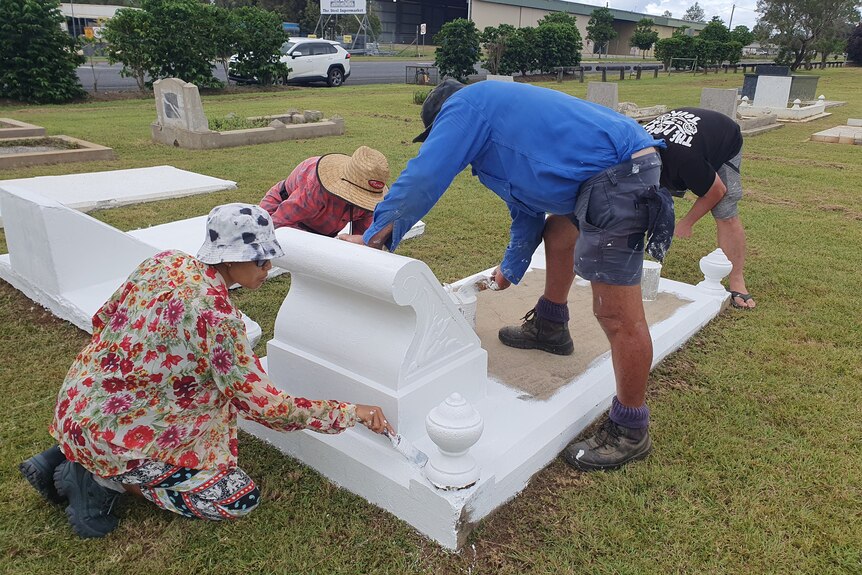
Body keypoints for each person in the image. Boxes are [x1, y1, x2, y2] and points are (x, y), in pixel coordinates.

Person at [341, 79, 675, 472]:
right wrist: (511, 268)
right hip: (597, 174)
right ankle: (551, 326)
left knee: (615, 313)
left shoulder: (468, 105)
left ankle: (630, 429)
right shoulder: (494, 142)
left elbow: (425, 176)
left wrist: (376, 238)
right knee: (558, 233)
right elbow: (528, 208)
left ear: (445, 121)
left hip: (619, 173)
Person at [19, 203, 393, 538]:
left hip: (78, 404)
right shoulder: (217, 318)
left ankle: (68, 450)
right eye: (260, 260)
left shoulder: (165, 262)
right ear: (229, 259)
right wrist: (349, 412)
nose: (268, 268)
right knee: (235, 497)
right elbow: (266, 408)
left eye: (269, 258)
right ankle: (99, 477)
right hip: (113, 433)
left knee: (200, 396)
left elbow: (106, 316)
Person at [643, 107, 755, 309]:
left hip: (723, 136)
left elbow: (716, 192)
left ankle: (737, 280)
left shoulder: (687, 160)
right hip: (682, 138)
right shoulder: (630, 149)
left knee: (725, 210)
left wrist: (686, 223)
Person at [260, 146, 390, 237]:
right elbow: (279, 222)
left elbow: (363, 238)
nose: (362, 202)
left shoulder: (369, 205)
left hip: (323, 229)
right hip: (281, 212)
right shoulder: (316, 188)